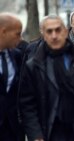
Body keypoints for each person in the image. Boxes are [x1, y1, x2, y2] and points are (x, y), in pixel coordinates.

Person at [19, 15, 74, 141]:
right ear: (43, 34)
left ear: (66, 32)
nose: (54, 35)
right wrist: (35, 134)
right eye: (49, 31)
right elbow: (28, 105)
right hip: (51, 130)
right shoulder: (34, 66)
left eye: (58, 30)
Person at [0, 12, 25, 141]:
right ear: (3, 32)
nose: (20, 38)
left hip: (14, 129)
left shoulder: (17, 55)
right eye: (17, 34)